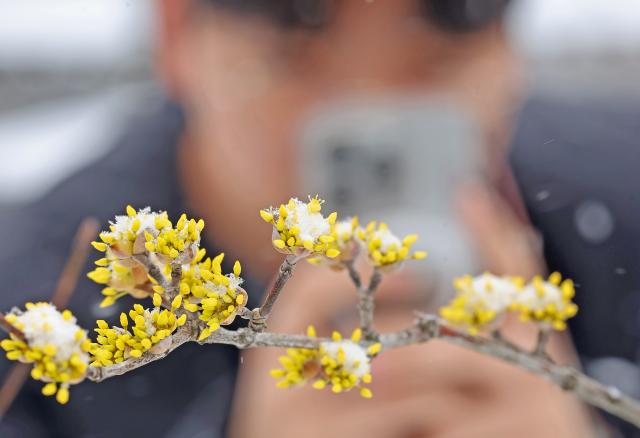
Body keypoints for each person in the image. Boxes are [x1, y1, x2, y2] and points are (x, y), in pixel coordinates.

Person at [0, 0, 637, 436]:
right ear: (176, 36)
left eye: (438, 62)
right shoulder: (31, 322)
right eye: (294, 57)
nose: (369, 113)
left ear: (509, 52)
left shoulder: (625, 207)